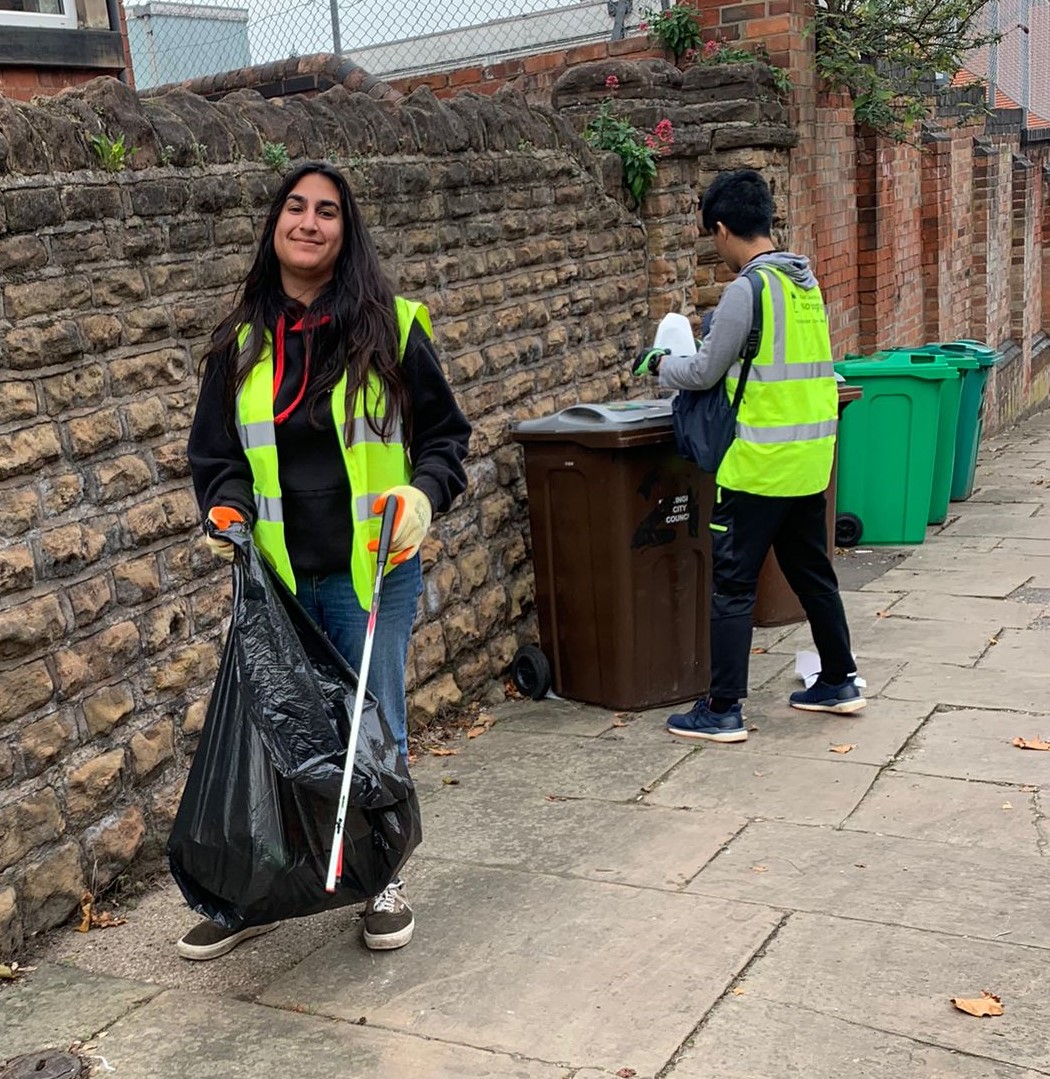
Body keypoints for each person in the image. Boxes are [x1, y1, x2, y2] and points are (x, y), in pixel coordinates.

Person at [182, 161, 471, 959]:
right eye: (296, 207)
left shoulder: (394, 328)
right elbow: (215, 455)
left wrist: (422, 495)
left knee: (372, 726)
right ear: (275, 222)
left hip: (369, 571)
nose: (309, 222)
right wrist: (226, 505)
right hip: (276, 578)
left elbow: (445, 439)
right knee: (279, 732)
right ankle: (261, 888)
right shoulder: (238, 343)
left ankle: (381, 876)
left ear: (347, 233)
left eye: (328, 212)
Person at [633, 168, 864, 745]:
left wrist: (660, 364)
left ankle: (722, 709)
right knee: (813, 574)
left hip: (759, 465)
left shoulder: (749, 289)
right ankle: (839, 681)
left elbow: (704, 370)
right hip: (810, 459)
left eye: (712, 237)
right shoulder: (804, 283)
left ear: (721, 228)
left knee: (733, 585)